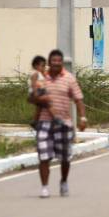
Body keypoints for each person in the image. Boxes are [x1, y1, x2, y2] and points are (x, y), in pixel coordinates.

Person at [30, 50, 87, 198]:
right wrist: (38, 100)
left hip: (64, 124)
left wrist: (82, 118)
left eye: (58, 61)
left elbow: (78, 99)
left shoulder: (69, 78)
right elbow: (31, 97)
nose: (55, 63)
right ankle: (44, 187)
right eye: (53, 61)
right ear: (49, 62)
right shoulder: (41, 78)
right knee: (43, 156)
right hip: (44, 123)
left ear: (62, 62)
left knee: (64, 157)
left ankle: (63, 181)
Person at [28, 56, 47, 128]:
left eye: (45, 66)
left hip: (41, 91)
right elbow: (33, 83)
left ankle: (35, 121)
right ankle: (35, 121)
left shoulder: (40, 73)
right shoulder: (35, 73)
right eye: (42, 66)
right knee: (44, 105)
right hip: (37, 92)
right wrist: (35, 93)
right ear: (36, 65)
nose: (44, 67)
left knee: (40, 108)